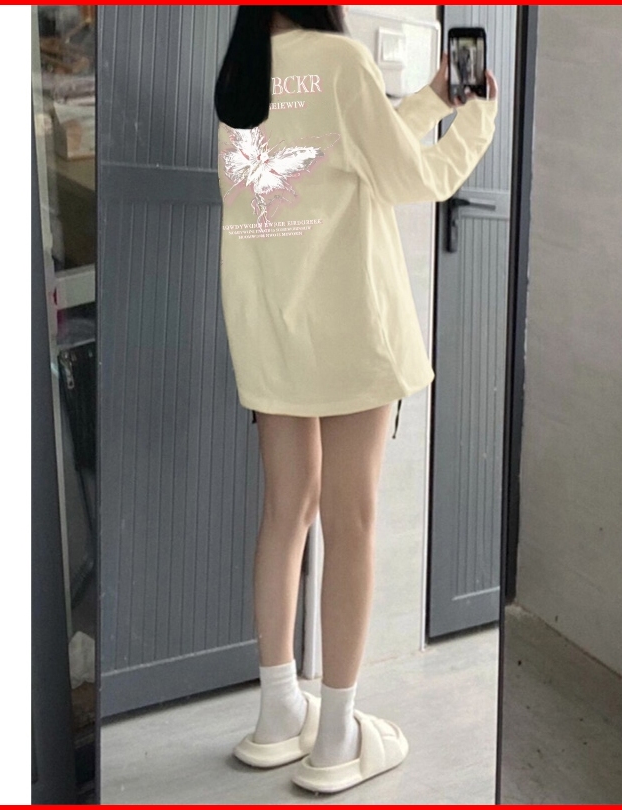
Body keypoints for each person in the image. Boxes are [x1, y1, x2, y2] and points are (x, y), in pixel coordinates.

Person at [214, 5, 498, 794]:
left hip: (272, 330)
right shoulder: (339, 63)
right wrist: (477, 115)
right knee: (353, 523)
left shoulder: (240, 79)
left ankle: (279, 713)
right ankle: (337, 735)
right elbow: (413, 177)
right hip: (349, 330)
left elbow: (342, 151)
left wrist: (433, 99)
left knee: (285, 516)